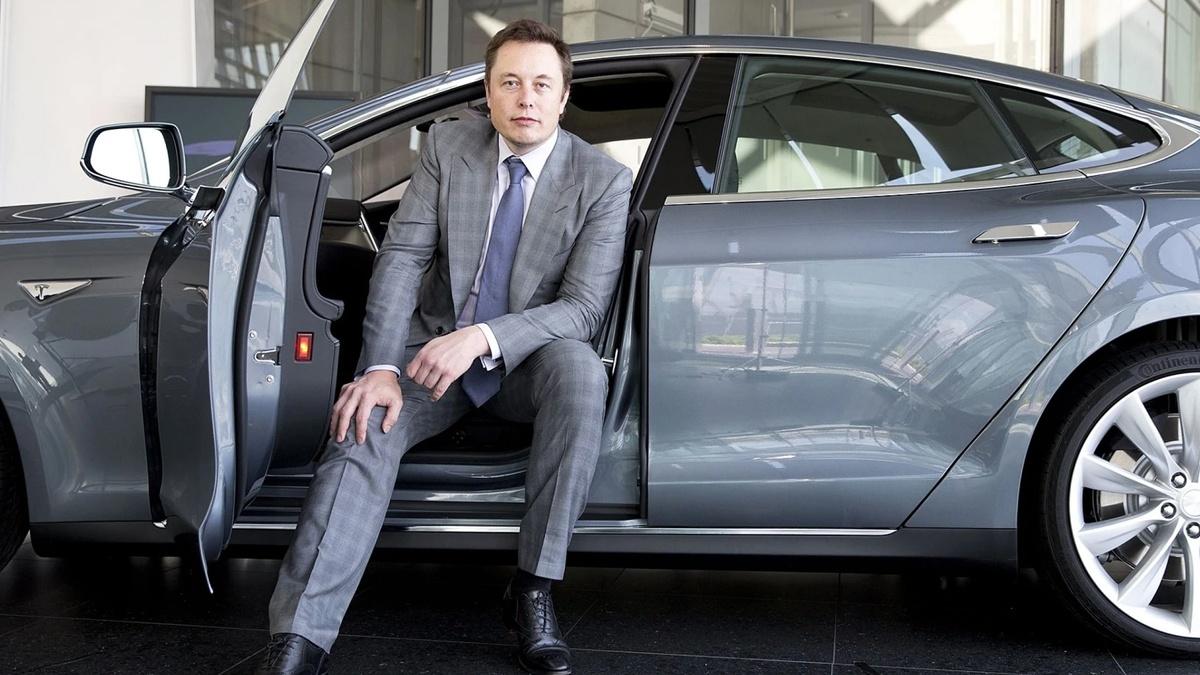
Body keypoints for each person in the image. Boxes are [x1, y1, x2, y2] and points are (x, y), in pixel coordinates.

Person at [255, 18, 632, 675]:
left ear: (564, 96)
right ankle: (299, 638)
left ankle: (533, 589)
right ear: (488, 92)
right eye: (509, 82)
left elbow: (582, 308)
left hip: (526, 365)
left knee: (581, 372)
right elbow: (402, 257)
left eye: (542, 84)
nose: (525, 97)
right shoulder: (448, 146)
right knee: (362, 421)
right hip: (428, 355)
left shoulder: (602, 179)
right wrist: (378, 367)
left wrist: (482, 337)